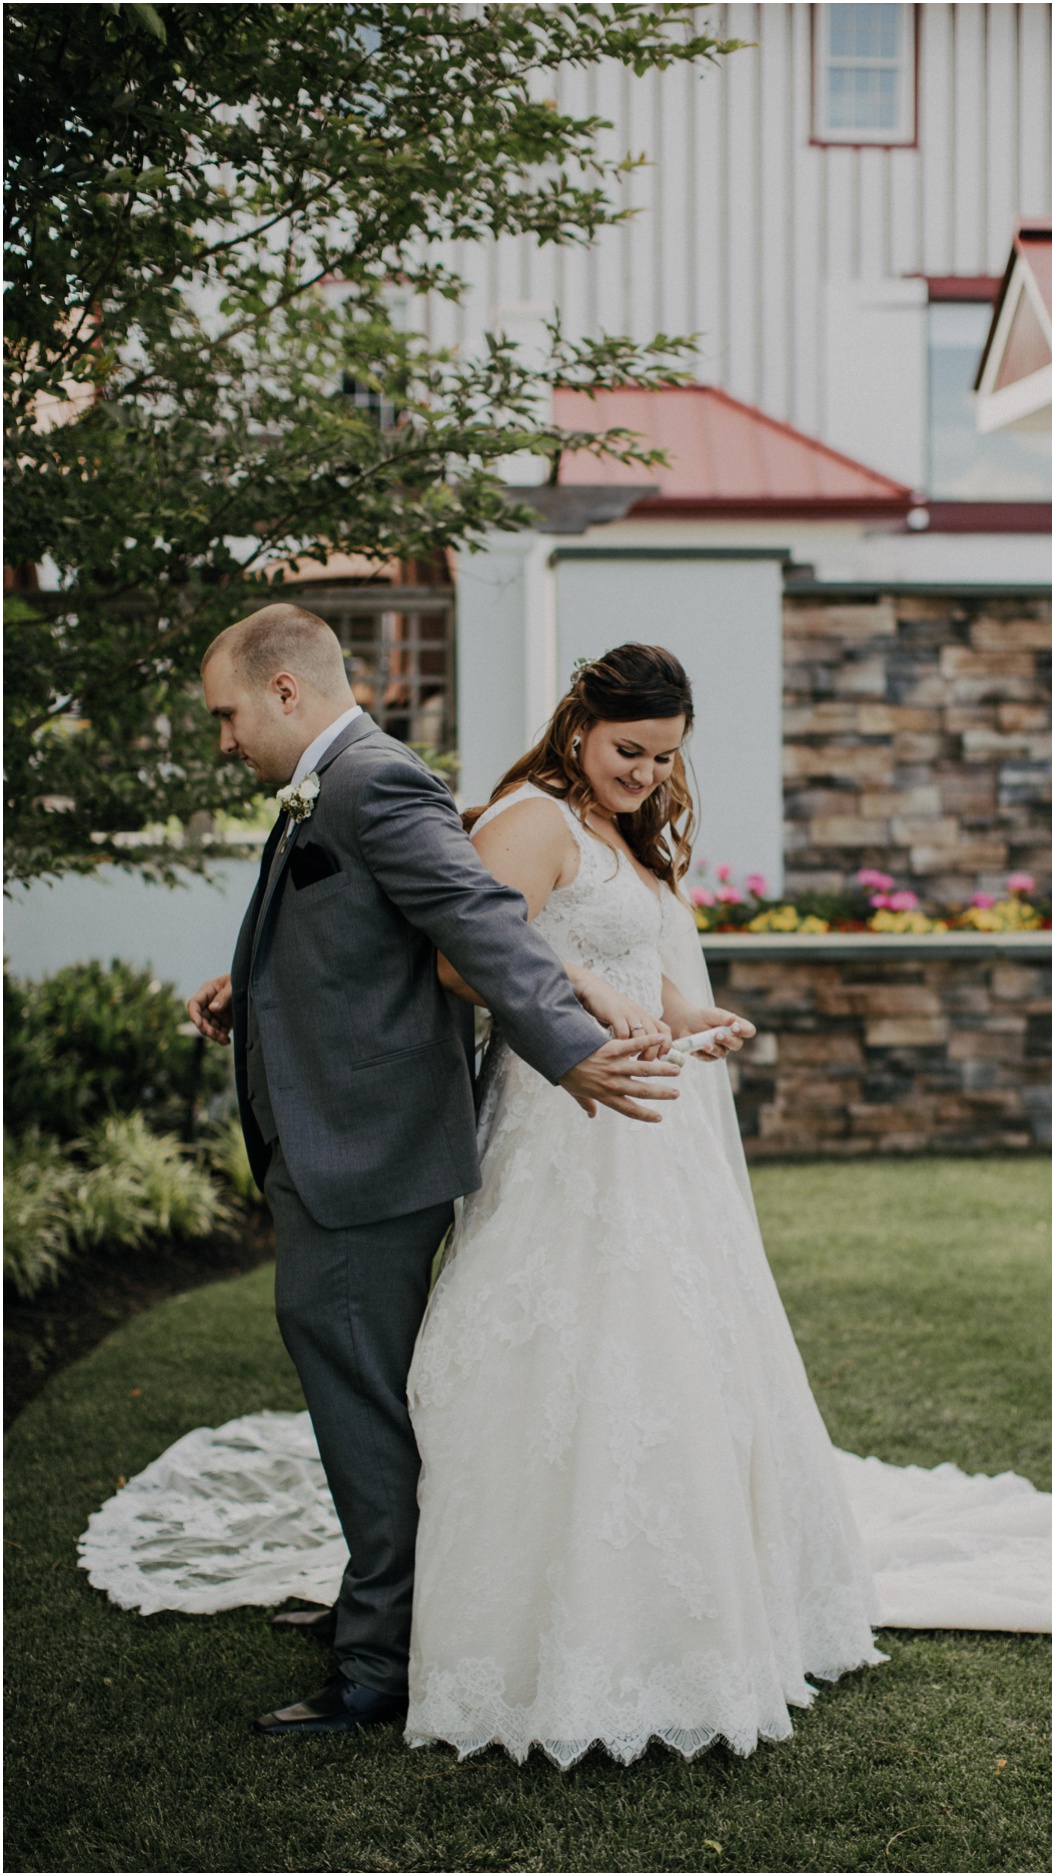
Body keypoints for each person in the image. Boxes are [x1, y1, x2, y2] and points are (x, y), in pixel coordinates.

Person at [398, 644, 1052, 1767]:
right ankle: (554, 1622)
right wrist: (593, 998)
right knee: (573, 1350)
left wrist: (694, 1016)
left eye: (664, 758)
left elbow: (627, 956)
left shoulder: (617, 832)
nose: (647, 775)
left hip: (652, 1132)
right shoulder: (531, 817)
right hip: (569, 1125)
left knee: (676, 1351)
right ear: (577, 727)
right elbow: (471, 958)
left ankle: (696, 1596)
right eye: (629, 751)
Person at [185, 605, 682, 1738]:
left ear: (284, 691)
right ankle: (386, 1601)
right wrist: (242, 983)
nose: (222, 739)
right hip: (341, 1134)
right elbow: (356, 927)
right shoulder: (337, 784)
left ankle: (379, 1662)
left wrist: (569, 1051)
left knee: (362, 1404)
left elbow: (478, 921)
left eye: (225, 716)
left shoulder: (371, 782)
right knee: (376, 1391)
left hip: (364, 1149)